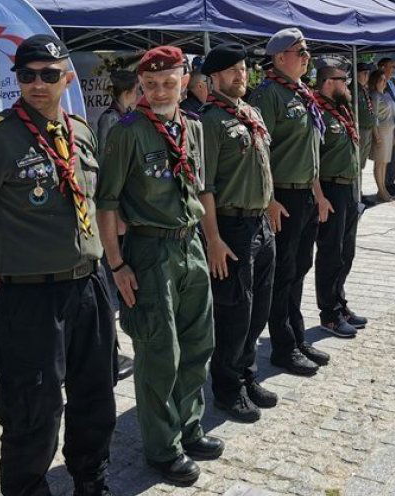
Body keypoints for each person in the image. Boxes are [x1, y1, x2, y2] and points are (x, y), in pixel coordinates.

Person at [0, 35, 117, 495]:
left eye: (49, 74)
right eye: (27, 74)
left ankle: (90, 478)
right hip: (30, 297)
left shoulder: (79, 131)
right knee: (31, 408)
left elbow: (94, 204)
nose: (37, 83)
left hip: (89, 287)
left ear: (67, 77)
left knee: (95, 394)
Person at [98, 45, 223, 485]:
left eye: (168, 82)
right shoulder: (127, 131)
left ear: (184, 80)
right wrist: (116, 264)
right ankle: (161, 447)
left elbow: (201, 189)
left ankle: (189, 427)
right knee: (159, 354)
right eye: (150, 84)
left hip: (189, 246)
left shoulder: (193, 126)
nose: (159, 90)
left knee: (198, 344)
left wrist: (212, 241)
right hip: (150, 254)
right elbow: (107, 203)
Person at [197, 43, 278, 423]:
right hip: (231, 227)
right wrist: (213, 239)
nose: (240, 76)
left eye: (243, 69)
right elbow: (205, 187)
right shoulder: (209, 121)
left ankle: (247, 375)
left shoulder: (251, 112)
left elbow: (262, 165)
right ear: (212, 79)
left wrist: (271, 201)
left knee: (259, 306)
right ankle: (227, 389)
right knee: (234, 312)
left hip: (261, 222)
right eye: (231, 71)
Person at [249, 28, 332, 376]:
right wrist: (268, 199)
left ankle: (296, 335)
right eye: (301, 51)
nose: (307, 56)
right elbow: (258, 152)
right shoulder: (268, 95)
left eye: (307, 50)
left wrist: (318, 195)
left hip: (304, 195)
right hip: (283, 196)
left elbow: (309, 152)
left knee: (299, 268)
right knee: (283, 274)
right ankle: (283, 345)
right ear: (280, 57)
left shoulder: (301, 93)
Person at [312, 56, 366, 339]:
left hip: (346, 187)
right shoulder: (317, 112)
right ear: (328, 82)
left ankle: (340, 303)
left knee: (347, 253)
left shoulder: (339, 110)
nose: (347, 84)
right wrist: (319, 196)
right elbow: (310, 159)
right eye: (342, 80)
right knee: (331, 254)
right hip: (329, 189)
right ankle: (329, 314)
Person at [95, 69, 139, 382]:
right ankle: (109, 354)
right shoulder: (112, 120)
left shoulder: (124, 116)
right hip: (117, 210)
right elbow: (113, 173)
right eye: (139, 89)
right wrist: (120, 214)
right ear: (127, 92)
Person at [378, 57, 395, 196]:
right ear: (382, 67)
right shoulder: (379, 82)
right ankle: (384, 185)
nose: (394, 69)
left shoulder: (393, 81)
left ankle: (391, 182)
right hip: (387, 123)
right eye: (392, 66)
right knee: (386, 156)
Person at [370, 69, 395, 202]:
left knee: (385, 162)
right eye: (381, 80)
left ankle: (383, 189)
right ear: (375, 82)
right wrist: (376, 135)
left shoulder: (386, 94)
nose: (384, 82)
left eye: (385, 80)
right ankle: (381, 190)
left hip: (389, 132)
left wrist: (393, 135)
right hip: (380, 132)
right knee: (379, 163)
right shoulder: (375, 96)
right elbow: (373, 117)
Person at [355, 62, 378, 206]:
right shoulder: (354, 90)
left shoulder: (363, 89)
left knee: (361, 165)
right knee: (357, 165)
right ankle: (357, 194)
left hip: (367, 130)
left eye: (367, 73)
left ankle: (359, 192)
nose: (366, 76)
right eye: (364, 73)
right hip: (361, 130)